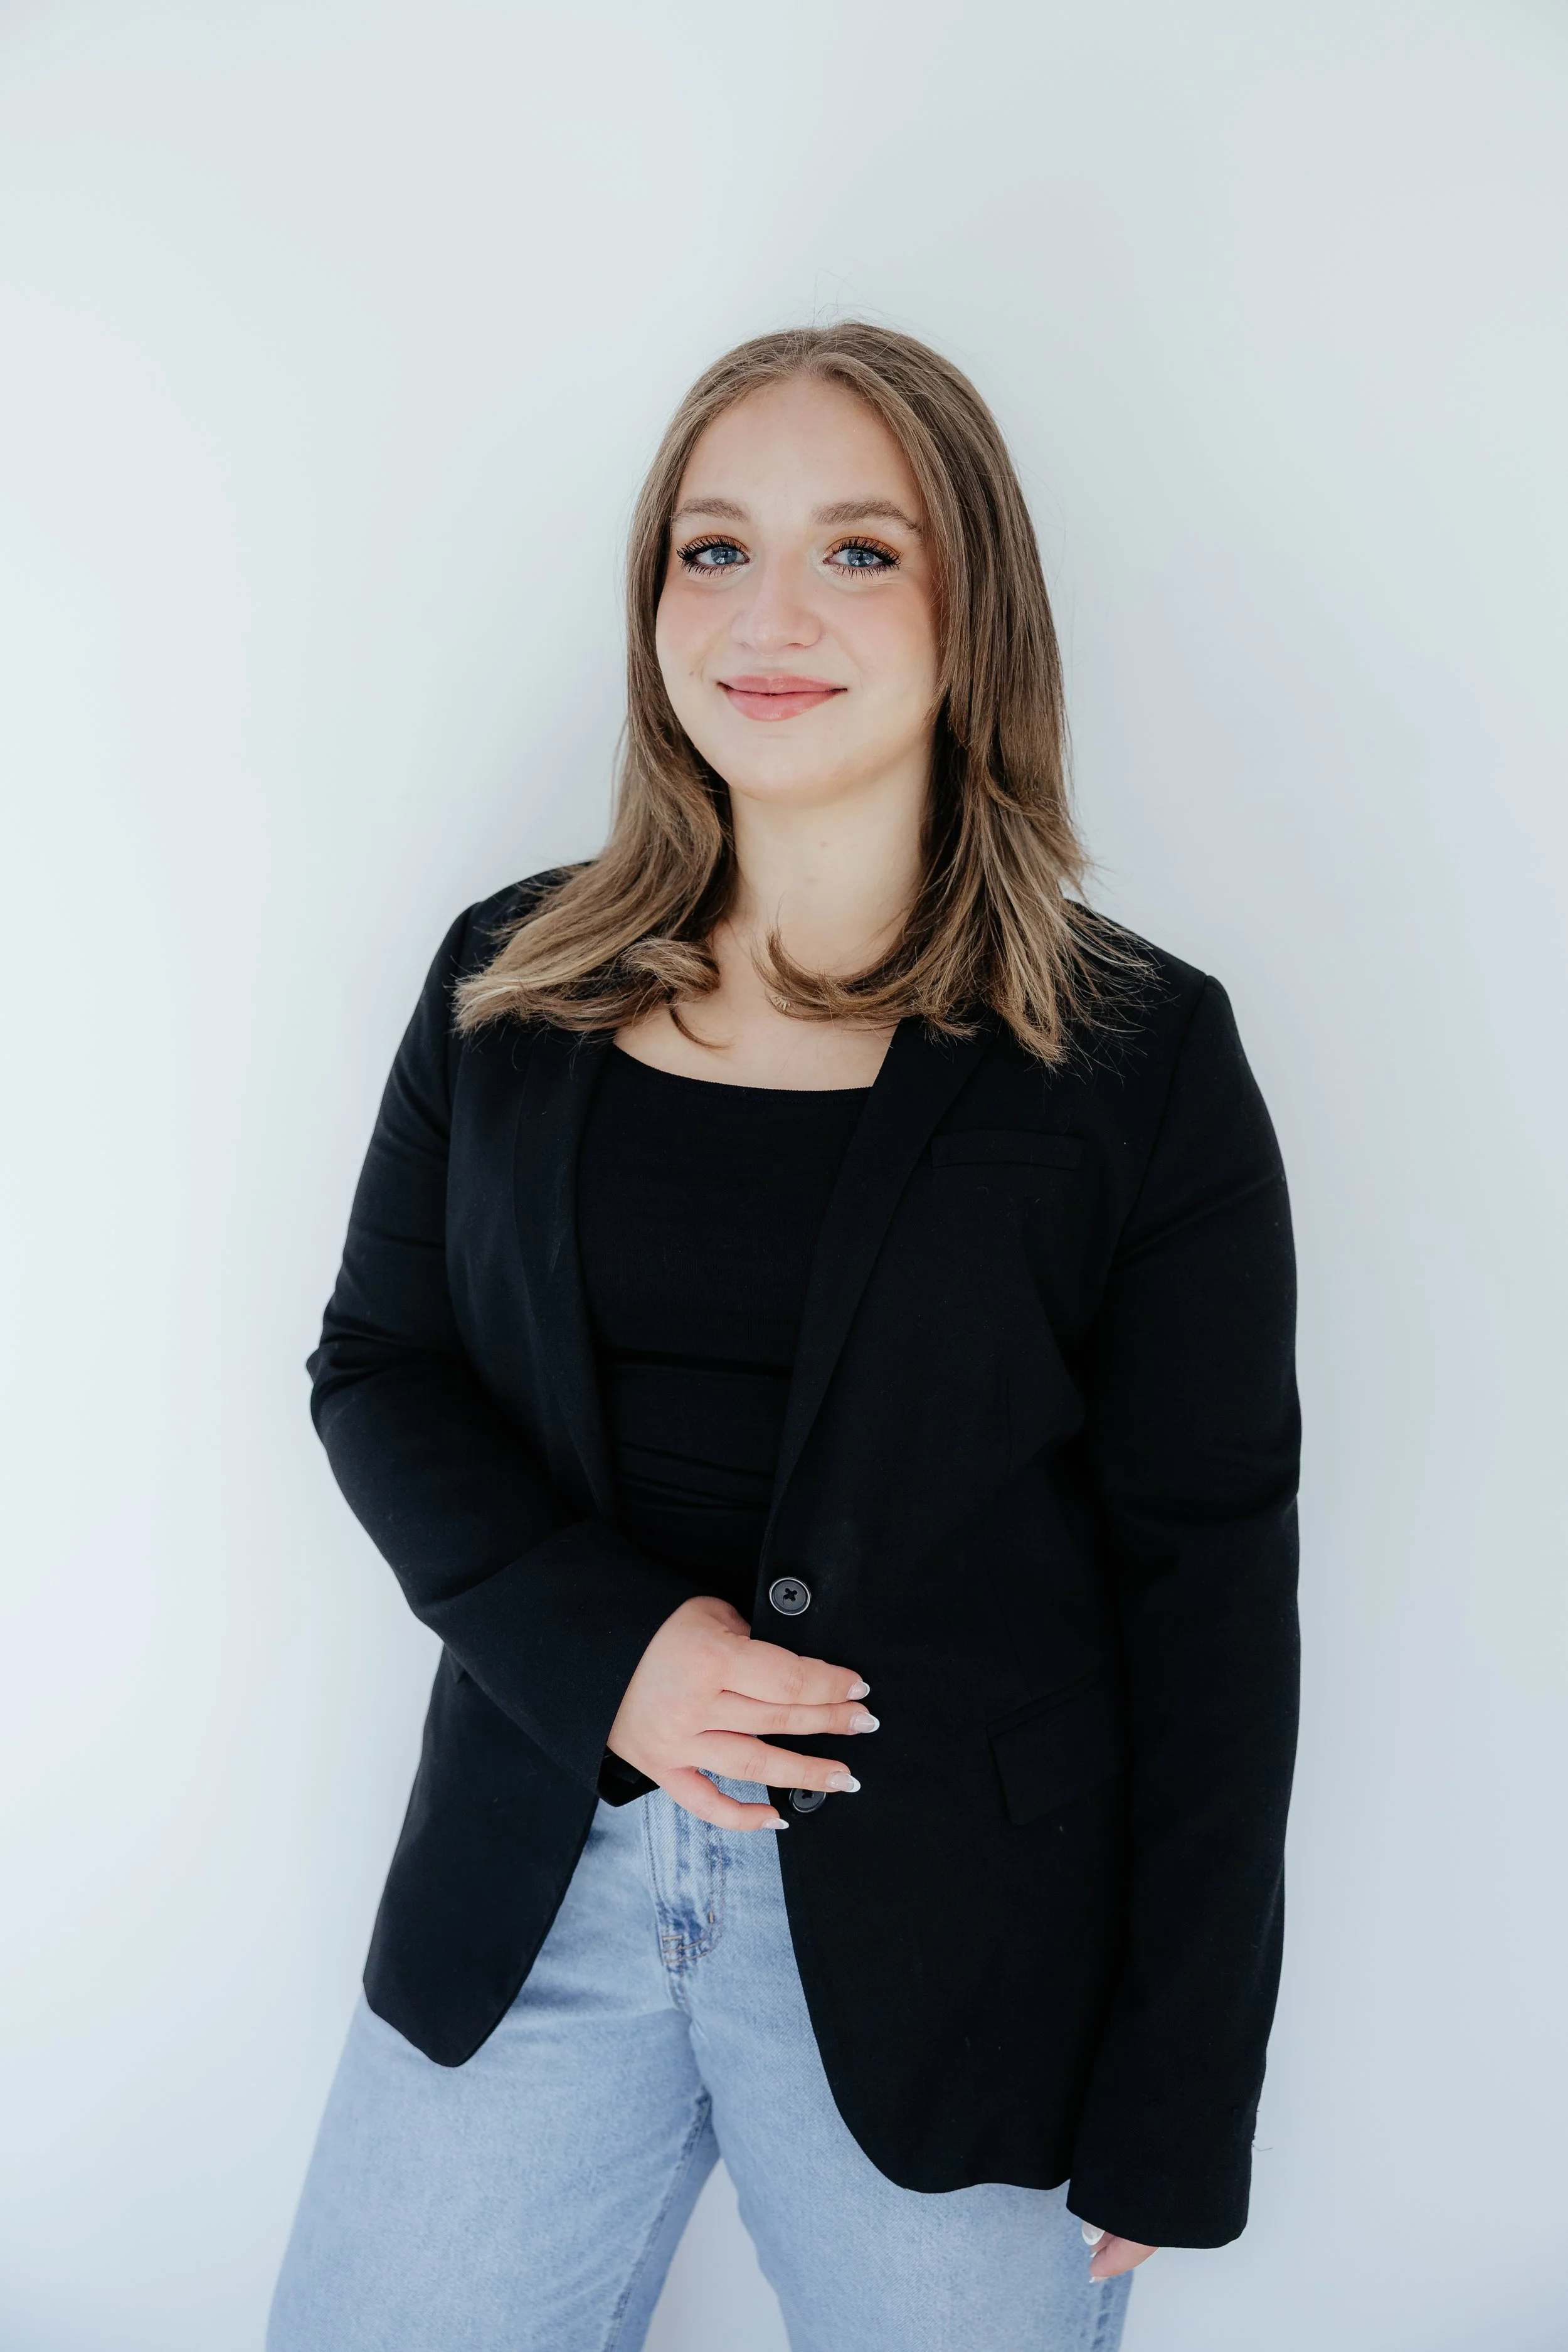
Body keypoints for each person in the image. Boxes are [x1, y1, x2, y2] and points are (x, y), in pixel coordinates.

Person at [268, 322, 1300, 2352]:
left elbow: (1212, 1587)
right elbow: (376, 1369)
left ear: (966, 605)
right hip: (529, 1891)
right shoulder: (507, 980)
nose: (767, 612)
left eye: (856, 550)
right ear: (652, 598)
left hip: (970, 1968)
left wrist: (1183, 2089)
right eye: (713, 547)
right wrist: (613, 1651)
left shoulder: (1136, 1058)